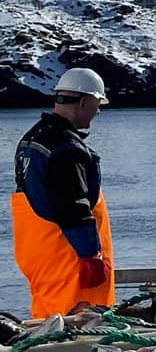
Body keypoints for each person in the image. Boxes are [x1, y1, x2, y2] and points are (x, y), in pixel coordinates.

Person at [11, 69, 115, 319]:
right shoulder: (66, 148)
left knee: (48, 322)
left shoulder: (31, 140)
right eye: (97, 104)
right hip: (69, 259)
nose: (98, 111)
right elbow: (73, 206)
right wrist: (91, 255)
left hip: (40, 256)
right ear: (83, 102)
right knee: (80, 326)